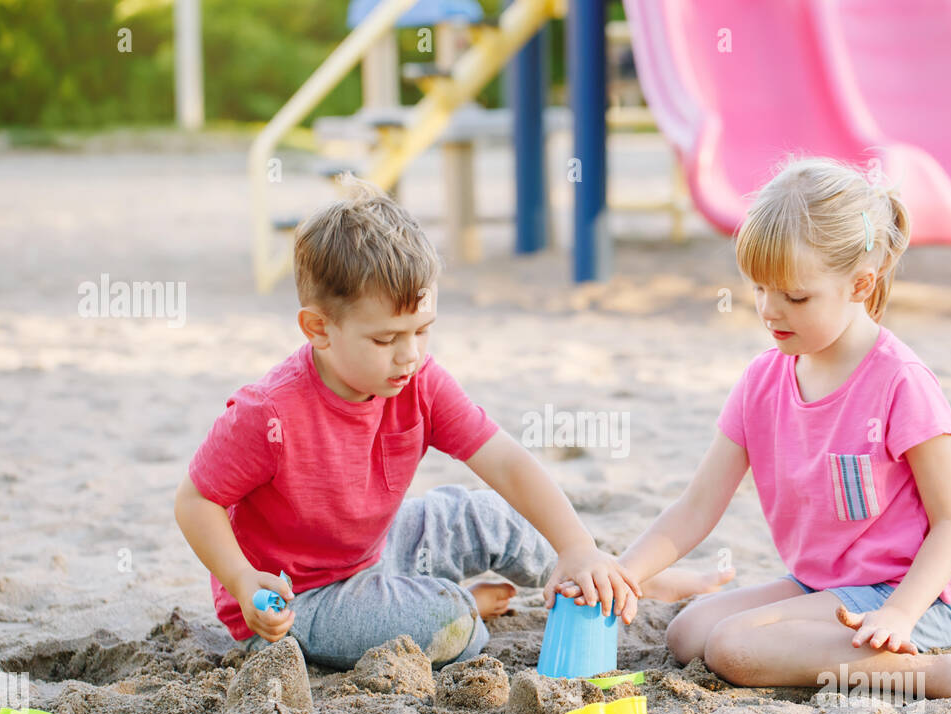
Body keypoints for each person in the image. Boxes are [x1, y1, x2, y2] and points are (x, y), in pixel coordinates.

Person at [174, 182, 726, 670]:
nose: (409, 355)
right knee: (453, 623)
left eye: (423, 331)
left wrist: (576, 546)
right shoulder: (269, 412)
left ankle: (621, 577)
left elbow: (506, 461)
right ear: (319, 328)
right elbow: (195, 500)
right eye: (386, 339)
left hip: (376, 550)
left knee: (486, 513)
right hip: (301, 600)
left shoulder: (419, 381)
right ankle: (456, 599)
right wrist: (244, 580)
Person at [563, 155, 951, 699]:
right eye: (760, 289)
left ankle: (921, 675)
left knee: (732, 649)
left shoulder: (900, 381)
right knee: (689, 633)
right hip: (825, 585)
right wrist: (622, 574)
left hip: (916, 594)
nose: (770, 311)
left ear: (861, 285)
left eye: (794, 296)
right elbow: (697, 507)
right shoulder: (762, 380)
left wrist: (901, 613)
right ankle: (848, 652)